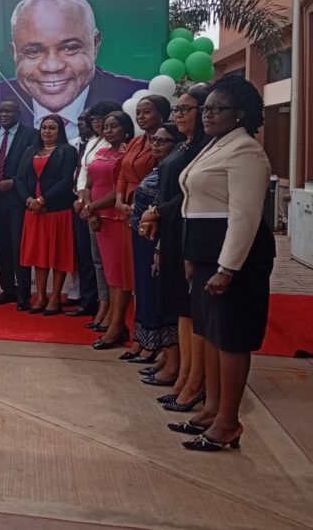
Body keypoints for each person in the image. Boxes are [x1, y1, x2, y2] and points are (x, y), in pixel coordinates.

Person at [174, 75, 274, 452]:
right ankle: (211, 410)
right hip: (206, 256)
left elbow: (245, 215)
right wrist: (192, 256)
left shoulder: (246, 151)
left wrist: (227, 268)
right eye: (207, 108)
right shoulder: (216, 144)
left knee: (231, 337)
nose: (208, 114)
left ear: (240, 114)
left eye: (218, 109)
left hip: (235, 260)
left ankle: (228, 423)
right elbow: (195, 204)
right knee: (211, 334)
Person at [0, 0, 146, 140]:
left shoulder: (137, 97)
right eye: (33, 51)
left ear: (95, 45)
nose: (52, 66)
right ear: (14, 53)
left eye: (69, 47)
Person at [138, 86, 211, 405]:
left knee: (192, 309)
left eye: (185, 109)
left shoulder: (204, 149)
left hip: (191, 234)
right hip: (170, 232)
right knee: (180, 307)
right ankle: (183, 374)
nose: (178, 115)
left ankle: (194, 381)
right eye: (177, 110)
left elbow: (190, 195)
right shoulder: (186, 146)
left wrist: (157, 211)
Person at [113, 95, 170, 360]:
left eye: (147, 112)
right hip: (130, 213)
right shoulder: (136, 141)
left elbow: (164, 183)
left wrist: (146, 208)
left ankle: (154, 342)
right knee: (138, 280)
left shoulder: (167, 142)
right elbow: (123, 173)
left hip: (152, 217)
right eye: (138, 112)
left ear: (162, 114)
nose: (141, 117)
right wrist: (120, 201)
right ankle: (140, 337)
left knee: (150, 280)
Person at [128, 123, 182, 366]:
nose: (156, 145)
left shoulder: (173, 169)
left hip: (156, 239)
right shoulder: (157, 168)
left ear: (176, 144)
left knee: (154, 291)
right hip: (140, 237)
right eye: (154, 140)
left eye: (163, 141)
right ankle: (142, 339)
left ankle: (157, 346)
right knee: (143, 289)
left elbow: (167, 208)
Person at [15, 114, 78, 314]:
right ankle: (41, 296)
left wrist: (42, 200)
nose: (47, 131)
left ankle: (55, 298)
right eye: (44, 128)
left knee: (58, 255)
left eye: (52, 128)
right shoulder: (30, 151)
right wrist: (29, 200)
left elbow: (66, 181)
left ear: (60, 131)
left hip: (57, 210)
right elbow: (19, 179)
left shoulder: (68, 151)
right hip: (33, 212)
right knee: (38, 255)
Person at [82, 111, 134, 349]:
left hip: (115, 218)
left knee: (118, 273)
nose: (109, 130)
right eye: (106, 127)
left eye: (115, 126)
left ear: (126, 129)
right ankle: (114, 321)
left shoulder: (127, 154)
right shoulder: (101, 152)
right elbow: (89, 183)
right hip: (97, 218)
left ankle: (117, 325)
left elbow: (119, 191)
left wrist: (92, 207)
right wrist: (90, 210)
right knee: (107, 272)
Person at [0, 100, 37, 308]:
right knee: (2, 246)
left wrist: (13, 182)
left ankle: (23, 294)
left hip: (18, 199)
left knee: (18, 247)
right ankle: (8, 289)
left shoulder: (31, 135)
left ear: (18, 113)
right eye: (1, 111)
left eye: (8, 111)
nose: (3, 114)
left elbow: (33, 168)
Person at [74, 101, 122, 330]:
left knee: (111, 264)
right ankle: (103, 305)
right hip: (90, 207)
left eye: (101, 118)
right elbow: (86, 176)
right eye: (93, 118)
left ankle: (113, 310)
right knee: (97, 262)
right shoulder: (94, 143)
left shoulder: (123, 147)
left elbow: (119, 185)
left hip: (110, 212)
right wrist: (84, 202)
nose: (97, 122)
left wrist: (90, 207)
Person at [66, 112, 98, 318]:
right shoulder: (73, 144)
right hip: (74, 202)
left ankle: (94, 300)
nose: (81, 124)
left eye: (85, 120)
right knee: (81, 254)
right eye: (78, 120)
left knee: (95, 257)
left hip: (95, 203)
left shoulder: (99, 144)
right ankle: (82, 296)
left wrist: (85, 201)